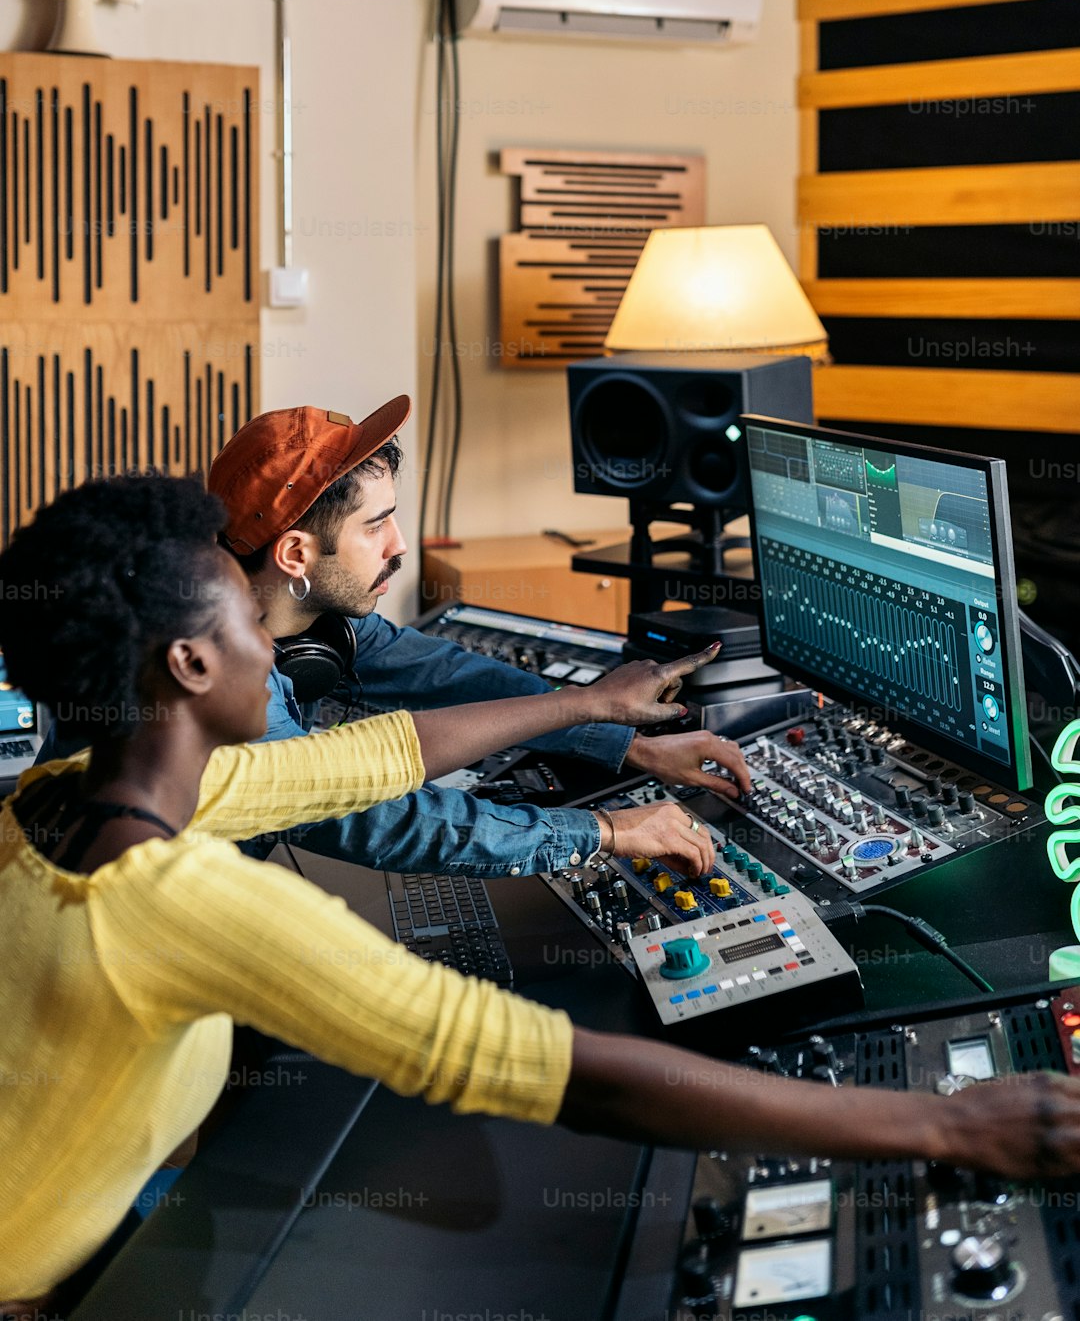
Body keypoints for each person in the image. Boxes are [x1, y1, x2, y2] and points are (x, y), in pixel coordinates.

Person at [2, 473, 1079, 1315]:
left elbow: (383, 754)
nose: (270, 642)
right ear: (192, 666)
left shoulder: (59, 792)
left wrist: (593, 711)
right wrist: (945, 1125)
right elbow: (538, 1067)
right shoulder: (180, 902)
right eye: (245, 618)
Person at [207, 398, 753, 873]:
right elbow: (388, 820)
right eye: (375, 526)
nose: (398, 547)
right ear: (296, 555)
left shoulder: (313, 622)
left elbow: (449, 677)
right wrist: (605, 831)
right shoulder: (225, 686)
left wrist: (624, 740)